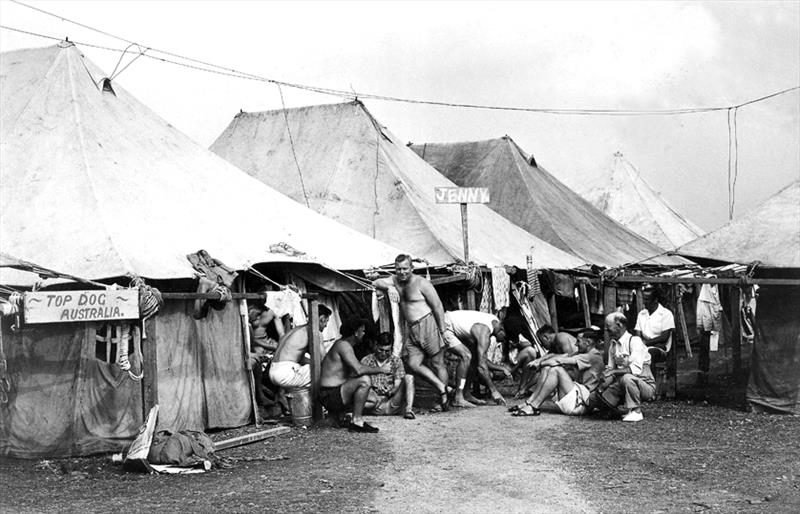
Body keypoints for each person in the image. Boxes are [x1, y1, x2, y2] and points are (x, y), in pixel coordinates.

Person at [373, 254, 451, 411]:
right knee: (413, 364)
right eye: (398, 269)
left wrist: (443, 330)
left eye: (405, 269)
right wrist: (389, 287)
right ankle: (443, 388)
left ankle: (443, 401)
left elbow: (437, 306)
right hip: (411, 328)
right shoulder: (394, 280)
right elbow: (375, 281)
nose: (402, 272)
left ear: (412, 268)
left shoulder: (422, 283)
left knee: (437, 363)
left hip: (427, 323)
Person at [319, 318, 392, 433]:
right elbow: (358, 370)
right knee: (364, 380)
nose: (363, 334)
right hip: (329, 395)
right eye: (362, 331)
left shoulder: (343, 345)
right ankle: (357, 421)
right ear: (355, 332)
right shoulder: (343, 345)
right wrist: (381, 369)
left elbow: (351, 373)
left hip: (333, 393)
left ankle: (340, 416)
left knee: (372, 399)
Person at [510, 329, 604, 416]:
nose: (575, 345)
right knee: (547, 368)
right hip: (576, 396)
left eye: (578, 341)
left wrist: (540, 364)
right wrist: (540, 361)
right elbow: (560, 356)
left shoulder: (593, 356)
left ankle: (534, 406)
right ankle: (529, 402)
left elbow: (560, 361)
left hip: (581, 403)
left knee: (556, 370)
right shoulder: (583, 353)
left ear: (588, 342)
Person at [593, 312, 656, 422]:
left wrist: (612, 372)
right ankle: (616, 409)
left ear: (619, 325)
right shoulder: (613, 345)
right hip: (623, 382)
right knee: (597, 397)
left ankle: (637, 411)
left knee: (626, 378)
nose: (607, 331)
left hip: (645, 385)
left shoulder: (635, 341)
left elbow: (635, 370)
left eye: (608, 327)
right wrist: (602, 384)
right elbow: (610, 369)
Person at [442, 310, 511, 406]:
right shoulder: (484, 333)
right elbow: (482, 367)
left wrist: (501, 368)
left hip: (452, 324)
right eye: (505, 338)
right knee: (466, 356)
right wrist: (494, 391)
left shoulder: (494, 321)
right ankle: (458, 397)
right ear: (502, 329)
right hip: (445, 324)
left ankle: (466, 393)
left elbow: (481, 360)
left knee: (473, 359)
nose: (503, 341)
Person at [268, 304, 332, 390]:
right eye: (326, 321)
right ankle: (317, 402)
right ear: (322, 318)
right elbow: (323, 359)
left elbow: (299, 357)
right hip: (285, 373)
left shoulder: (296, 330)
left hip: (273, 371)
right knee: (325, 372)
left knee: (311, 368)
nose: (326, 326)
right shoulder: (314, 331)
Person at [361, 333, 416, 419]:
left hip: (392, 402)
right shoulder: (367, 360)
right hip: (374, 404)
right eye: (380, 350)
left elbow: (397, 384)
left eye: (387, 351)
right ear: (376, 345)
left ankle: (408, 410)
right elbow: (361, 382)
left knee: (409, 377)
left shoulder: (396, 361)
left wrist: (390, 392)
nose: (383, 354)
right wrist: (373, 392)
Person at [635, 285, 675, 366]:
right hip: (643, 346)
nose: (644, 302)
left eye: (647, 299)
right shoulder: (641, 314)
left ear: (655, 300)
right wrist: (640, 344)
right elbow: (637, 334)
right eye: (644, 299)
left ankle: (649, 378)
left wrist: (646, 343)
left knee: (649, 355)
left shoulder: (666, 314)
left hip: (660, 350)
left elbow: (664, 337)